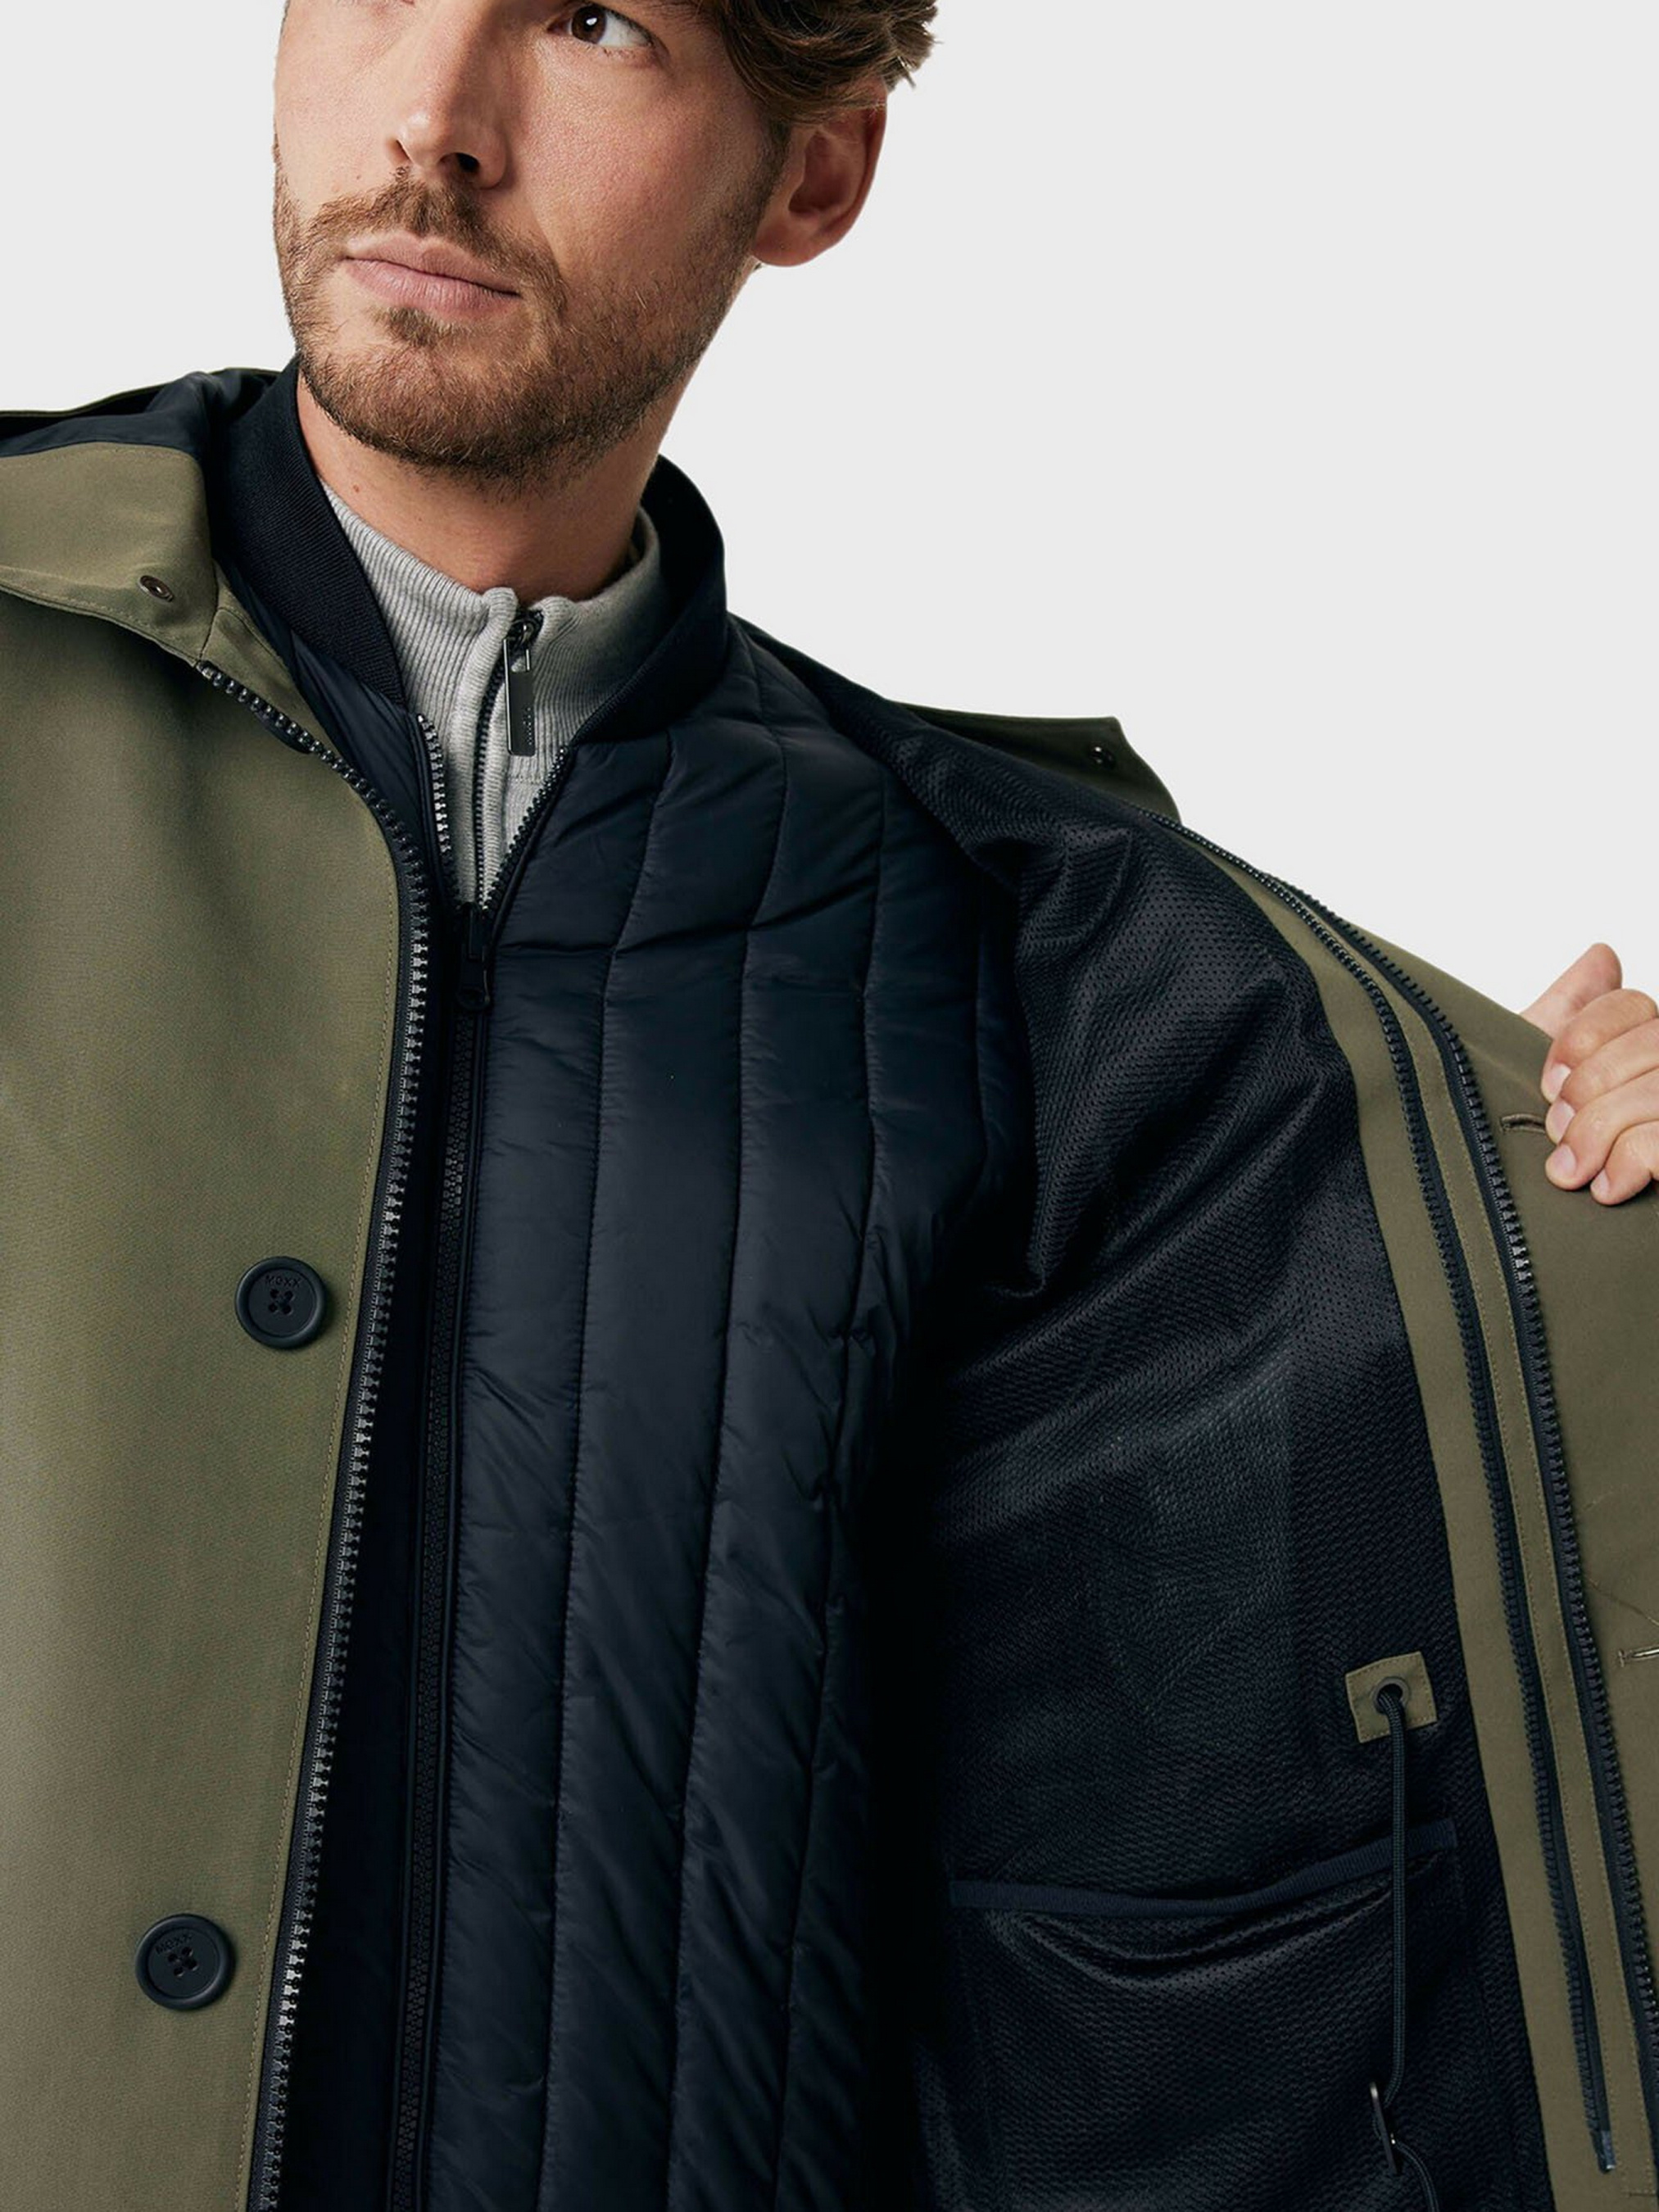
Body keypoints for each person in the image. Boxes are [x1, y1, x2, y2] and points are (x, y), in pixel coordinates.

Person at [2, 6, 1656, 2210]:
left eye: (593, 21)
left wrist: (1562, 1194)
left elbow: (1216, 1830)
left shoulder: (1002, 948)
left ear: (812, 175)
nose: (434, 119)